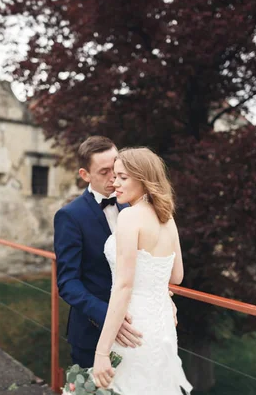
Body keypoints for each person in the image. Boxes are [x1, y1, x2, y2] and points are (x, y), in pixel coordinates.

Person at [93, 147, 193, 394]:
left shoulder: (130, 217)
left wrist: (102, 351)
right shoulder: (167, 217)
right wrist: (158, 291)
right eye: (115, 176)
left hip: (132, 328)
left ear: (145, 179)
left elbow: (124, 286)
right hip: (162, 327)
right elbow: (176, 276)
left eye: (123, 177)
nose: (115, 183)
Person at [54, 136, 144, 368]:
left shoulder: (133, 206)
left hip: (136, 325)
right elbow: (67, 282)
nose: (114, 176)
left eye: (116, 166)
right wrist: (109, 316)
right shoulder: (70, 216)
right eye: (104, 171)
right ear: (85, 175)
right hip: (92, 332)